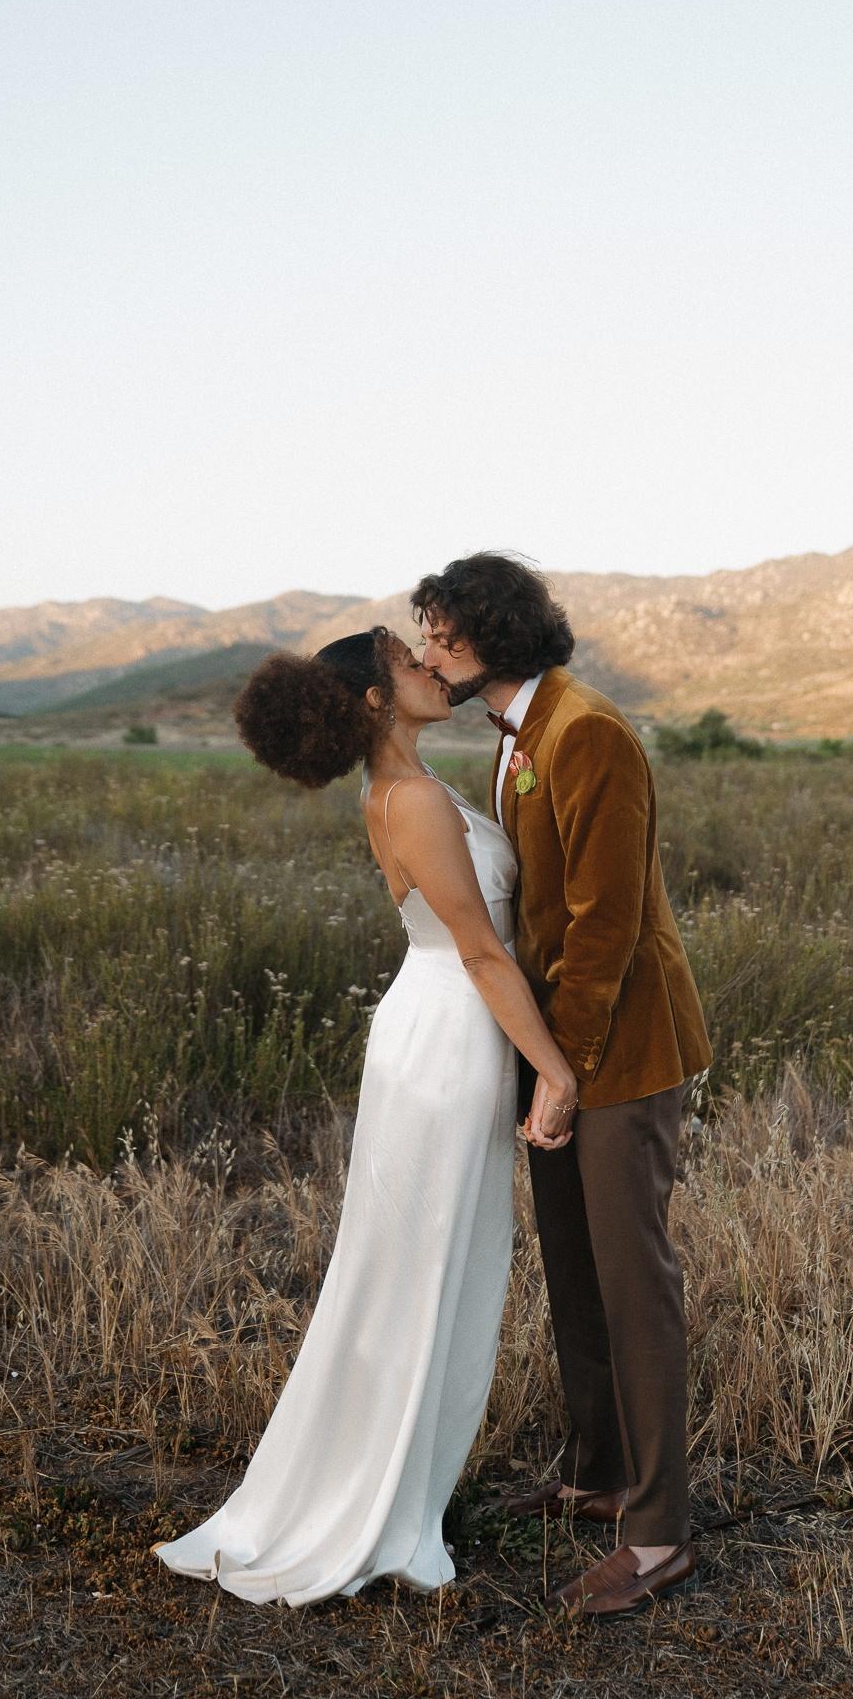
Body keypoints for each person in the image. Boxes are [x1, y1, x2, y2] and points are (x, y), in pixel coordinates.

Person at [151, 625, 579, 1604]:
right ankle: (371, 1507)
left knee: (425, 1264)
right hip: (446, 1038)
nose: (434, 668)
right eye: (410, 663)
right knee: (417, 1268)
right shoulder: (410, 797)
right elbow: (480, 951)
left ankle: (392, 1488)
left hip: (445, 1027)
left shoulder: (406, 783)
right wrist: (552, 1072)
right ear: (377, 700)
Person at [415, 553, 714, 1618]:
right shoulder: (518, 731)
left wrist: (563, 1071)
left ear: (494, 636)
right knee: (575, 1268)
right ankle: (598, 1473)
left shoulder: (586, 731)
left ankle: (659, 1533)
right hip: (560, 1048)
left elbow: (604, 922)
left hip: (618, 1052)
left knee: (633, 1282)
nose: (428, 654)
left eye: (443, 636)